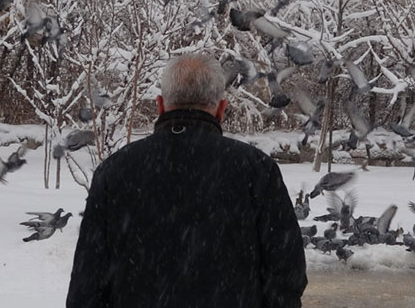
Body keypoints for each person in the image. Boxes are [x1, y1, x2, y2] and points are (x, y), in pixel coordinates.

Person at [66, 54, 307, 307]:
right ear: (221, 109)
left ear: (160, 105)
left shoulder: (114, 172)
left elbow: (86, 285)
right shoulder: (257, 170)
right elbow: (286, 275)